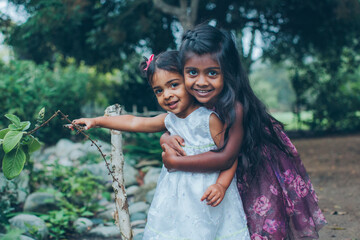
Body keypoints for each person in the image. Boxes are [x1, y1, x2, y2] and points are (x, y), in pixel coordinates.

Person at [160, 24, 327, 239]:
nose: (201, 82)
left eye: (212, 73)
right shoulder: (190, 99)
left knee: (258, 224)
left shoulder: (235, 107)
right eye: (192, 72)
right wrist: (166, 138)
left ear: (227, 71)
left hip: (255, 166)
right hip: (220, 175)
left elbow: (227, 158)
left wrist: (175, 163)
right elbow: (171, 124)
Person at [71, 51, 250, 239]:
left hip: (207, 194)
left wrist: (221, 186)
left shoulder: (208, 120)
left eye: (174, 85)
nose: (167, 95)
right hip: (176, 198)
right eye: (159, 90)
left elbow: (229, 158)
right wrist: (97, 121)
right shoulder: (169, 120)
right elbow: (134, 122)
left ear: (188, 83)